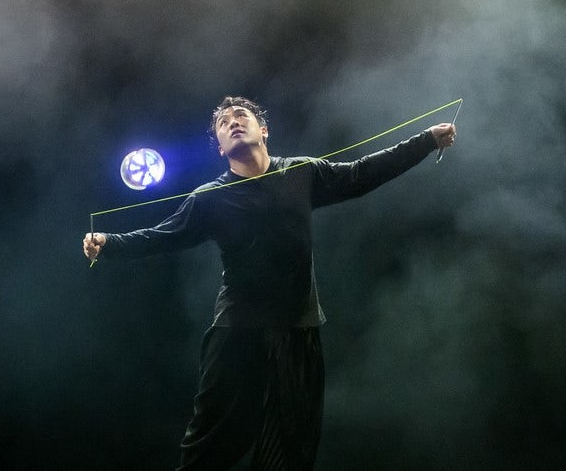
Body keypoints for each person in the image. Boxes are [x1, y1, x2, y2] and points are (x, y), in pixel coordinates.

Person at [83, 96, 456, 471]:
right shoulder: (209, 199)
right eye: (223, 123)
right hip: (238, 333)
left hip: (298, 332)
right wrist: (109, 244)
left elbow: (362, 173)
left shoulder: (302, 172)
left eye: (241, 116)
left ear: (263, 130)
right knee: (210, 446)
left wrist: (425, 140)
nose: (233, 123)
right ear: (221, 148)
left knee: (292, 449)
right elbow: (162, 236)